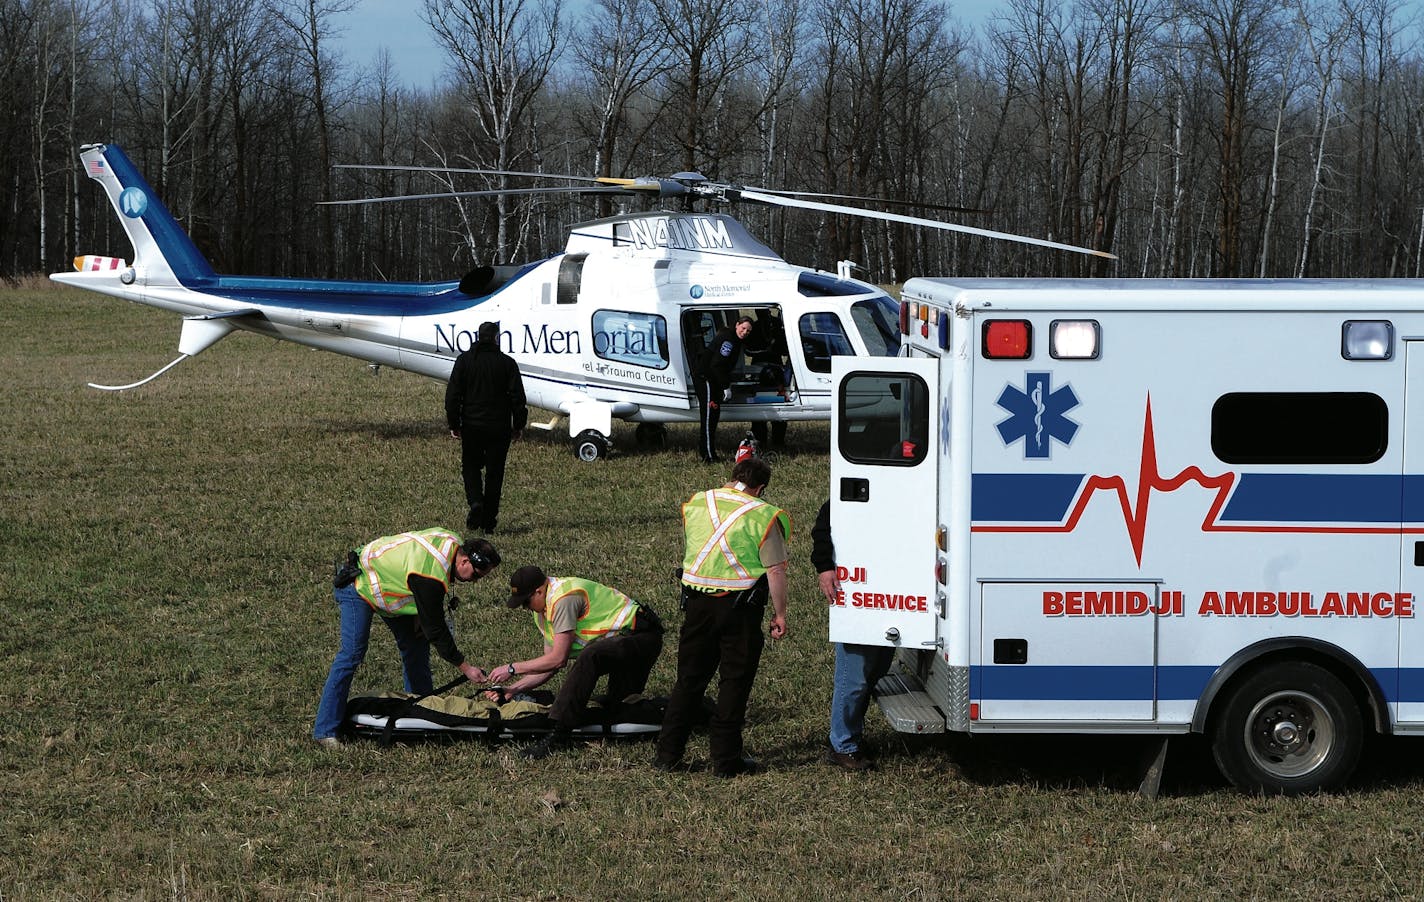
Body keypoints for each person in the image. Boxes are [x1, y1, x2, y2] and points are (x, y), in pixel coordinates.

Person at [654, 457, 791, 777]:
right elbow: (775, 570)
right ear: (761, 488)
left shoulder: (698, 502)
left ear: (731, 477)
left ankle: (667, 755)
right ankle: (726, 761)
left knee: (688, 681)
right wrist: (780, 612)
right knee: (734, 683)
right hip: (739, 610)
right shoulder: (762, 514)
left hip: (697, 606)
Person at [312, 530, 500, 746]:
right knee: (352, 654)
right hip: (358, 585)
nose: (475, 582)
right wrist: (466, 668)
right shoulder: (431, 575)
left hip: (389, 589)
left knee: (416, 648)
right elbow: (436, 629)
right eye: (476, 575)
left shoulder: (453, 543)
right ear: (465, 560)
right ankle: (325, 730)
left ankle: (423, 718)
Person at [487, 565, 664, 759]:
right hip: (620, 645)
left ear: (539, 590)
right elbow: (549, 665)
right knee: (620, 708)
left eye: (526, 601)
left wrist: (513, 668)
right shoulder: (543, 611)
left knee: (589, 656)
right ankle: (676, 709)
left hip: (642, 638)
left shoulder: (563, 600)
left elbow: (558, 659)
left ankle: (559, 733)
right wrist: (513, 690)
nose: (525, 607)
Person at [813, 500, 893, 772]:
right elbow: (822, 531)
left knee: (875, 671)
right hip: (859, 596)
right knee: (854, 678)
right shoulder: (841, 499)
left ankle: (851, 738)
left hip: (891, 595)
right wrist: (825, 567)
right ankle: (842, 746)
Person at [445, 321, 528, 533]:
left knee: (471, 467)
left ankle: (475, 502)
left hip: (472, 425)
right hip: (499, 427)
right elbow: (518, 398)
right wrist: (518, 425)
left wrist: (454, 423)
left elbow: (452, 395)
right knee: (495, 472)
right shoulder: (507, 363)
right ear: (497, 338)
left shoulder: (464, 361)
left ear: (478, 336)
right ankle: (489, 521)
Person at [693, 315, 754, 462]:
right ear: (737, 325)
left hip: (713, 381)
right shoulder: (729, 340)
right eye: (743, 328)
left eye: (748, 330)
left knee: (713, 417)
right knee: (708, 418)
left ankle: (710, 453)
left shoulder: (734, 339)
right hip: (706, 379)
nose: (745, 332)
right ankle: (708, 455)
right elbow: (717, 365)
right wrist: (726, 386)